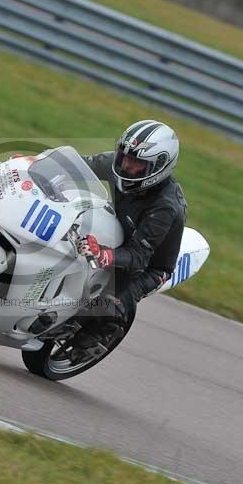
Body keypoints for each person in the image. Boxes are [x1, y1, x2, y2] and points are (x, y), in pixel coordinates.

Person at [77, 119, 188, 328]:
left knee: (104, 309)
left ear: (159, 166)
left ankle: (88, 341)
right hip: (119, 228)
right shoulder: (118, 167)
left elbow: (138, 257)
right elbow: (77, 165)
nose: (127, 165)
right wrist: (34, 164)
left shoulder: (164, 207)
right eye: (125, 157)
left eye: (137, 163)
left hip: (146, 267)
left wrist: (103, 254)